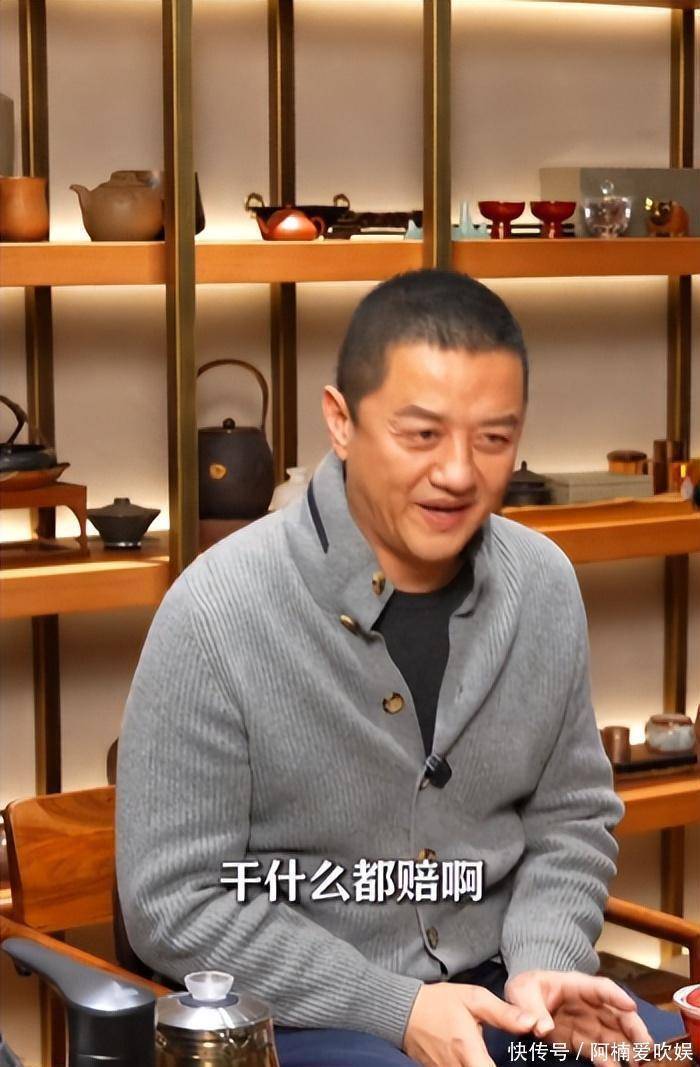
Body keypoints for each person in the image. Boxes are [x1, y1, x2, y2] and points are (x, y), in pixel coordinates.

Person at [117, 270, 681, 1067]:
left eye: (493, 438)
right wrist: (396, 1006)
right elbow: (175, 901)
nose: (459, 473)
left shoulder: (543, 584)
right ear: (340, 422)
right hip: (304, 1018)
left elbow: (571, 818)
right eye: (421, 435)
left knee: (667, 1053)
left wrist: (546, 967)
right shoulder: (215, 610)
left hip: (504, 995)